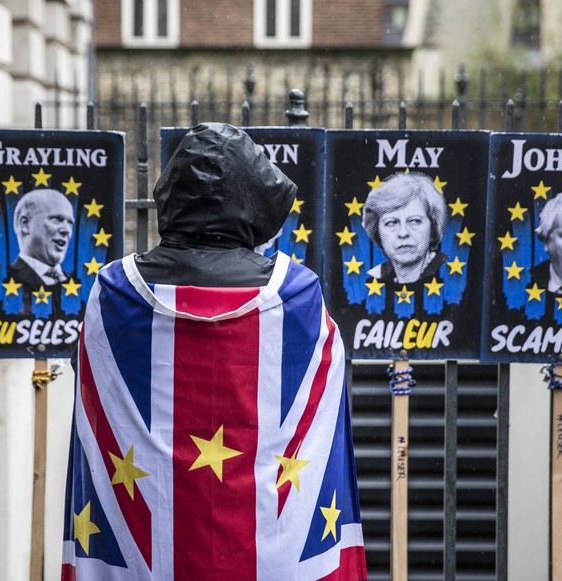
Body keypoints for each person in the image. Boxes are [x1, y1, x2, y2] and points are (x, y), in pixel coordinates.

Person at [61, 123, 367, 581]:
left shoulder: (112, 293)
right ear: (256, 204)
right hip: (269, 554)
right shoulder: (297, 294)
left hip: (148, 558)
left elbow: (85, 374)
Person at [362, 172, 448, 284]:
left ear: (432, 228)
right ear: (377, 232)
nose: (403, 233)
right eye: (391, 223)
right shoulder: (371, 280)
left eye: (415, 221)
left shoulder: (450, 273)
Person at [7, 188, 75, 287]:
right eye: (57, 219)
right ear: (25, 224)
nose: (67, 230)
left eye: (70, 223)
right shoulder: (6, 281)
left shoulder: (76, 284)